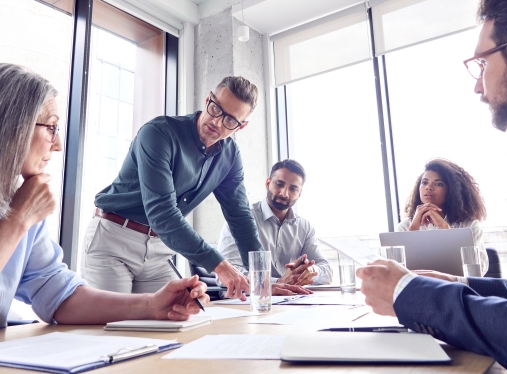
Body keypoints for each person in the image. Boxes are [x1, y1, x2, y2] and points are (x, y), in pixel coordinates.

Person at [358, 0, 507, 369]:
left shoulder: (467, 225)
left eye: (482, 63)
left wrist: (409, 292)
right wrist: (455, 282)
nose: (477, 86)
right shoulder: (410, 219)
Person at [0, 63, 209, 328]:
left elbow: (57, 295)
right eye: (51, 127)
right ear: (13, 127)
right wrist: (18, 220)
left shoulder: (21, 202)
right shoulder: (24, 209)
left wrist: (150, 305)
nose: (59, 145)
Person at [82, 76, 265, 299]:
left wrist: (263, 279)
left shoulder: (230, 155)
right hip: (114, 240)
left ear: (241, 126)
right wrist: (219, 265)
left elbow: (240, 216)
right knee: (112, 327)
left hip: (159, 250)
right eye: (216, 109)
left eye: (230, 120)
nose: (217, 122)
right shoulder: (159, 133)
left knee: (179, 319)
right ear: (208, 99)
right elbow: (162, 213)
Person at [217, 159, 333, 290]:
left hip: (292, 301)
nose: (284, 193)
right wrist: (277, 282)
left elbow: (327, 271)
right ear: (268, 183)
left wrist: (309, 271)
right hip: (250, 302)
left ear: (300, 193)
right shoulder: (240, 219)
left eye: (293, 188)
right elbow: (226, 274)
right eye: (279, 184)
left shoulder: (304, 227)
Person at [397, 158, 488, 274]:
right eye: (424, 182)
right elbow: (397, 275)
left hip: (455, 289)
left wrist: (445, 229)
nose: (428, 187)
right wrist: (412, 233)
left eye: (438, 184)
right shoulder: (405, 227)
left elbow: (477, 271)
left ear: (452, 191)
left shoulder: (469, 226)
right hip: (421, 290)